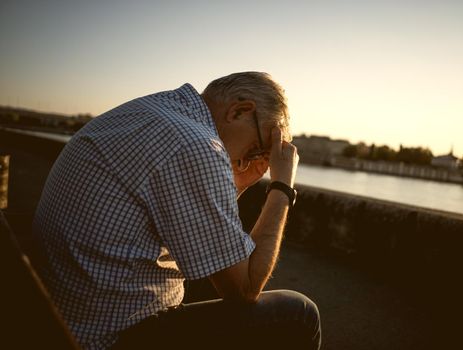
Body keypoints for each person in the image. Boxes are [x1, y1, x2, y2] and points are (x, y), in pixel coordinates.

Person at [33, 72, 321, 350]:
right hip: (109, 336)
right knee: (299, 313)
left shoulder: (155, 110)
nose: (253, 159)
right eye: (258, 148)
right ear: (239, 112)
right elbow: (245, 289)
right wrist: (282, 187)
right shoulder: (198, 145)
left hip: (62, 311)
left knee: (220, 271)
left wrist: (239, 182)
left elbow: (210, 240)